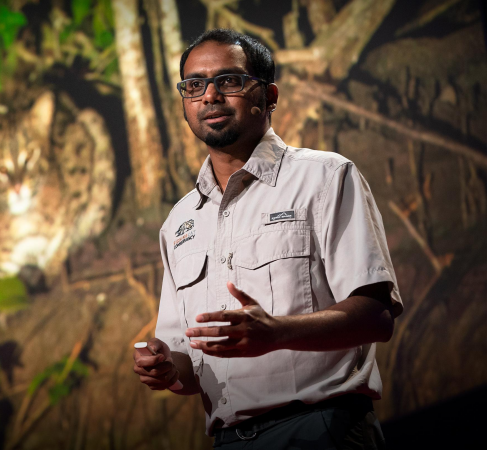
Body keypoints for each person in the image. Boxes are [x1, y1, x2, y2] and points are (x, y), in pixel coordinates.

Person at [132, 28, 403, 449]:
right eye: (195, 85)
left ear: (269, 95)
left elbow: (376, 317)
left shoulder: (325, 177)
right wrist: (167, 368)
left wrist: (276, 332)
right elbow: (185, 369)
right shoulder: (179, 221)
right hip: (229, 441)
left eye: (230, 81)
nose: (210, 97)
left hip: (322, 429)